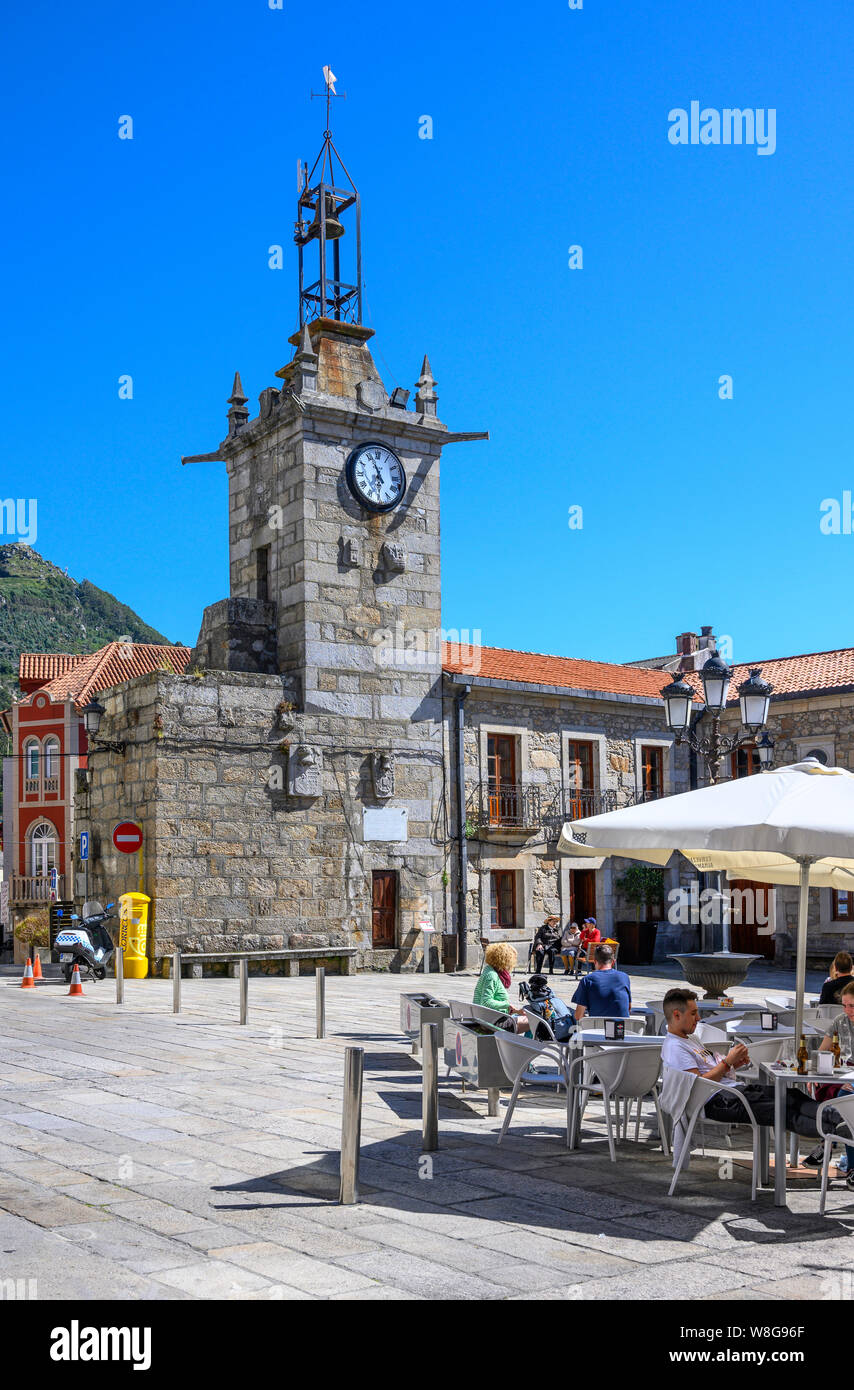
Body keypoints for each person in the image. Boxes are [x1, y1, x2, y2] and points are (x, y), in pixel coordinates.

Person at [661, 987, 854, 1186]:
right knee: (783, 1112)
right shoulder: (676, 1047)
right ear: (677, 1015)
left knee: (790, 1095)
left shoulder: (689, 1039)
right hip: (718, 1101)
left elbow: (707, 1074)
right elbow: (698, 1085)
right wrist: (727, 1062)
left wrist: (733, 1064)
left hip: (731, 1092)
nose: (699, 1017)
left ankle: (843, 1123)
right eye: (693, 1013)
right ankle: (841, 1129)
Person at [803, 979, 854, 1174]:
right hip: (844, 1073)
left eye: (852, 1006)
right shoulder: (840, 1021)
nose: (848, 1010)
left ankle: (829, 1145)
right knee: (824, 1088)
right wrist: (815, 1072)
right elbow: (822, 1052)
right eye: (845, 1005)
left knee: (844, 1098)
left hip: (849, 1079)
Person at [473, 942, 529, 1029]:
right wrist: (506, 1005)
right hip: (492, 1022)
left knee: (528, 1019)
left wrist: (513, 1010)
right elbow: (486, 1002)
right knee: (532, 1022)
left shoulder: (489, 969)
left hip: (489, 1017)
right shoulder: (492, 976)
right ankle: (527, 1043)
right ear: (505, 959)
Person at [572, 944, 632, 1021]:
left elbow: (578, 1016)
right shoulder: (624, 977)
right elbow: (628, 1007)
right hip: (621, 1029)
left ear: (595, 962)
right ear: (613, 962)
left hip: (597, 1030)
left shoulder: (588, 980)